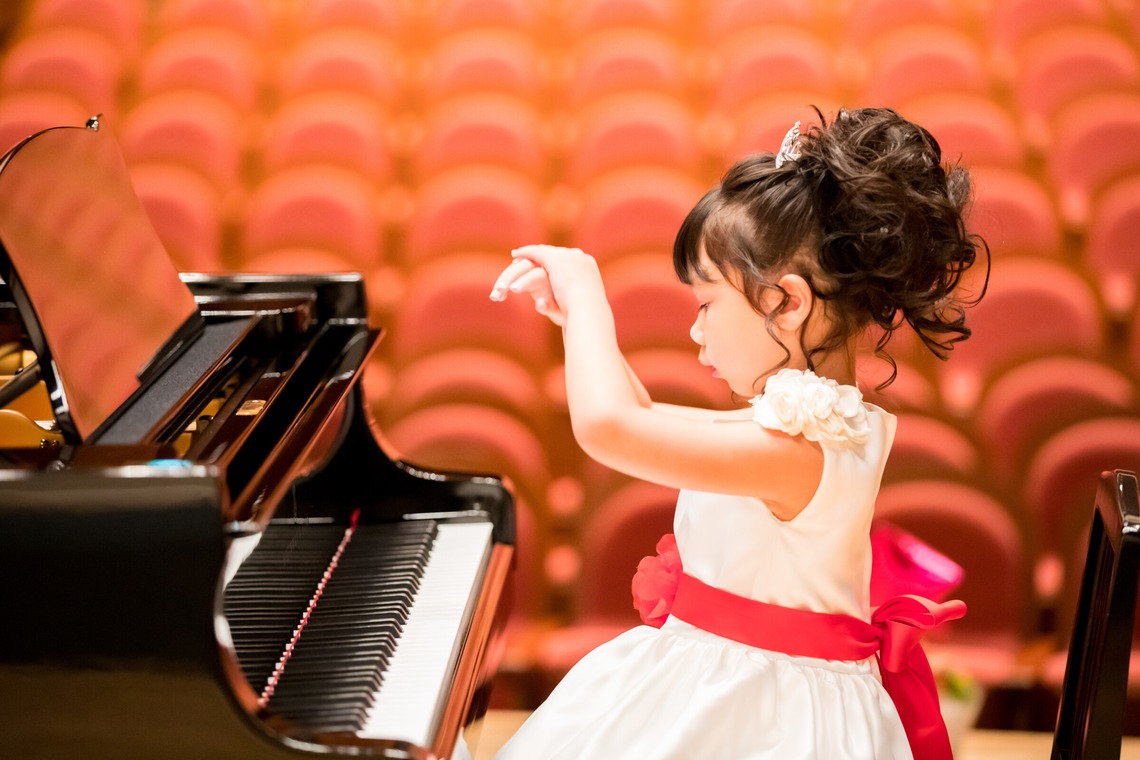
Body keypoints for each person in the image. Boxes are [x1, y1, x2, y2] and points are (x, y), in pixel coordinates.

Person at [487, 107, 987, 760]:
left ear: (786, 302)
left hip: (764, 718)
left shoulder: (798, 447)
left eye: (706, 303)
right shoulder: (815, 423)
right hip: (732, 681)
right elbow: (645, 418)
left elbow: (612, 428)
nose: (696, 330)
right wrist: (572, 323)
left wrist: (589, 299)